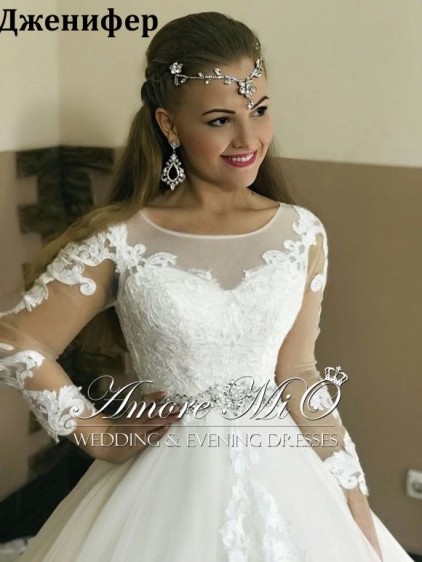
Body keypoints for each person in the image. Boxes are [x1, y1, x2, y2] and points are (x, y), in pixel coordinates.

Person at [0, 11, 413, 562]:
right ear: (169, 125)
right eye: (220, 120)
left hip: (284, 476)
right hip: (161, 490)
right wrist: (99, 434)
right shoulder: (123, 239)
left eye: (259, 110)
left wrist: (352, 496)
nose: (249, 138)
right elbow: (15, 337)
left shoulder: (301, 233)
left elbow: (298, 373)